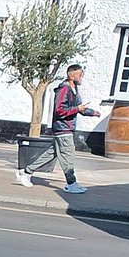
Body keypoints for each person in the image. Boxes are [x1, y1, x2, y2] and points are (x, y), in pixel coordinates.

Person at [16, 63, 101, 194]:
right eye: (80, 75)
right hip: (62, 129)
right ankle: (71, 183)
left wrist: (92, 112)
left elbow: (79, 108)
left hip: (66, 128)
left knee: (51, 154)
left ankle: (25, 172)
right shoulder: (64, 90)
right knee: (68, 156)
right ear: (71, 76)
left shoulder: (74, 90)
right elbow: (59, 110)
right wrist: (77, 109)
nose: (82, 77)